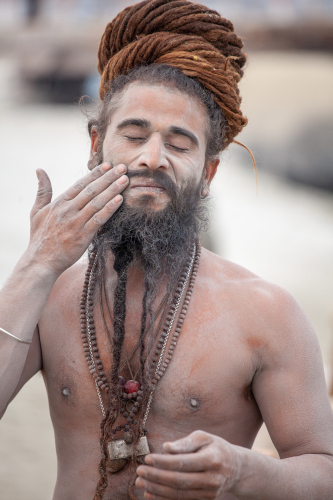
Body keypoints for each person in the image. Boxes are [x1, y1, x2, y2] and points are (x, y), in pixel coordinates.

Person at [1, 1, 333, 499]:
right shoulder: (46, 294)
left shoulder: (267, 313)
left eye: (179, 144)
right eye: (133, 134)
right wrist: (36, 265)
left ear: (210, 173)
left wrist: (245, 473)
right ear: (96, 144)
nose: (151, 158)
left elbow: (324, 471)